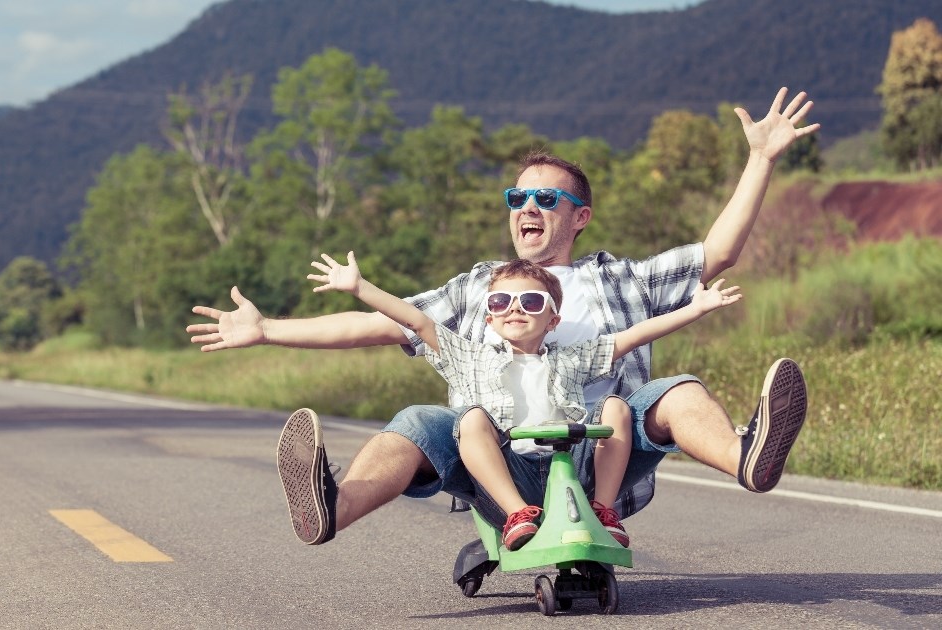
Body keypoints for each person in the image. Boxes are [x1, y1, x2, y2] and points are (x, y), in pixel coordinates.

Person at [188, 87, 817, 547]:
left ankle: (746, 458)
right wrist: (267, 329)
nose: (528, 206)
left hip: (605, 457)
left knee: (676, 391)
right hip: (500, 461)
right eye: (518, 197)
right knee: (418, 421)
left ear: (580, 216)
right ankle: (330, 506)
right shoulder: (481, 288)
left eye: (547, 197)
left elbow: (718, 253)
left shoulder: (620, 278)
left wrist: (760, 158)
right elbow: (387, 324)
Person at [307, 252, 742, 550]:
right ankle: (518, 516)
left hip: (573, 469)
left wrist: (695, 309)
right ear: (490, 317)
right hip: (508, 477)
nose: (516, 308)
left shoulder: (572, 359)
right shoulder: (470, 356)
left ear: (553, 319)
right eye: (502, 301)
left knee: (615, 406)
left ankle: (604, 511)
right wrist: (360, 287)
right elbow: (416, 321)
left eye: (531, 301)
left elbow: (632, 337)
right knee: (473, 419)